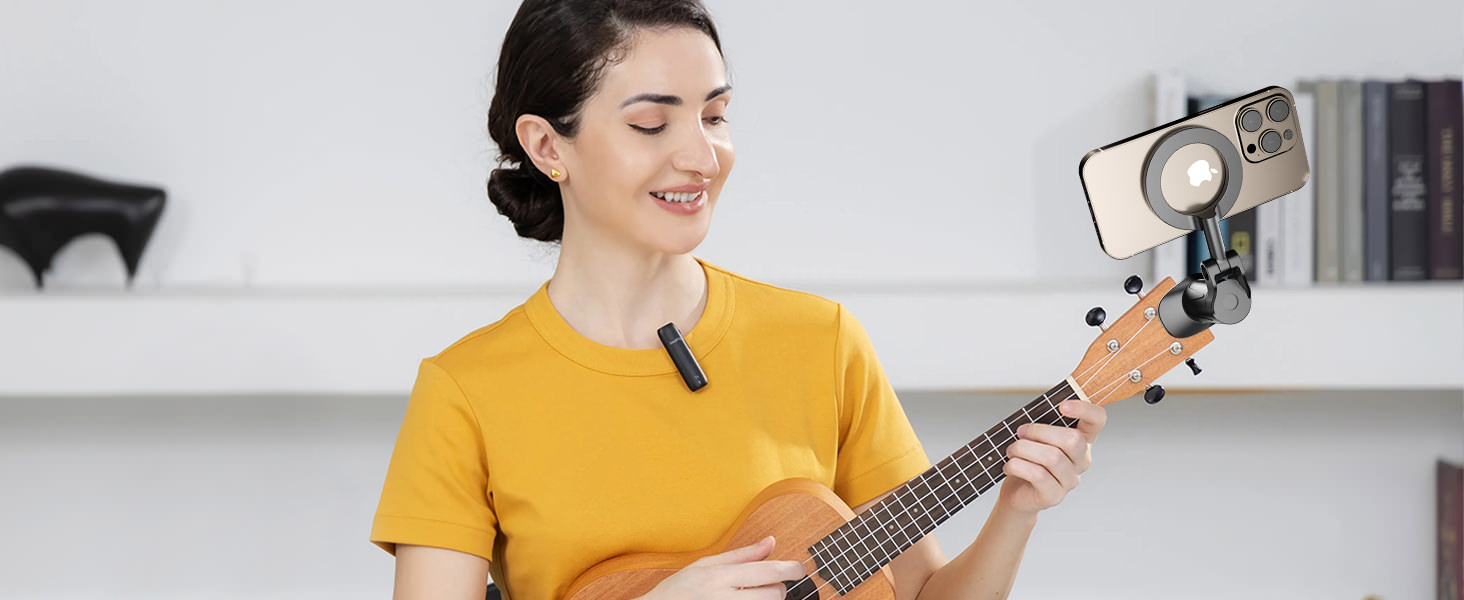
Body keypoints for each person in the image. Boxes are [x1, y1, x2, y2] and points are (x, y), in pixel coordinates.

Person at [368, 1, 1108, 598]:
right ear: (547, 146)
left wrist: (1016, 513)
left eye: (715, 115)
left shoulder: (821, 340)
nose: (701, 156)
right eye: (651, 124)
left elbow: (920, 596)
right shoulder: (466, 392)